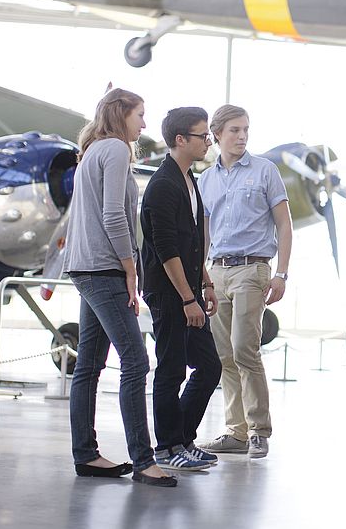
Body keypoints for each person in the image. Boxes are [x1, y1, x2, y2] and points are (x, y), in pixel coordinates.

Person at [63, 88, 176, 488]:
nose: (144, 124)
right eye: (140, 115)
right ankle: (144, 461)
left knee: (89, 367)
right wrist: (131, 270)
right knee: (136, 361)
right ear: (121, 114)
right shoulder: (112, 149)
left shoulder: (93, 150)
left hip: (87, 267)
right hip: (104, 269)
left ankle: (86, 454)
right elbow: (114, 216)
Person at [198, 104, 292, 459]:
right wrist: (201, 274)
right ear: (217, 134)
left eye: (246, 130)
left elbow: (284, 225)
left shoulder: (266, 171)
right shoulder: (206, 180)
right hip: (217, 272)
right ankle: (235, 432)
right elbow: (204, 233)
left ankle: (259, 430)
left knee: (243, 349)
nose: (242, 137)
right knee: (224, 354)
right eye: (234, 130)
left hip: (253, 271)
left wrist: (281, 273)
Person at [140, 107, 223, 471]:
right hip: (170, 292)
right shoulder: (163, 185)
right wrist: (187, 297)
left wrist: (204, 281)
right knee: (171, 369)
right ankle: (167, 447)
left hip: (189, 289)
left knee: (208, 366)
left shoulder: (189, 179)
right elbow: (165, 248)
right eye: (203, 136)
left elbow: (191, 244)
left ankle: (182, 439)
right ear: (180, 140)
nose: (209, 141)